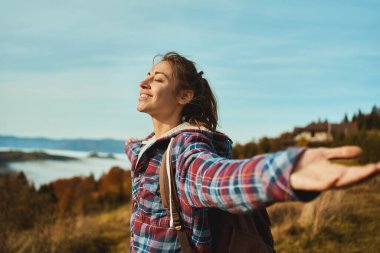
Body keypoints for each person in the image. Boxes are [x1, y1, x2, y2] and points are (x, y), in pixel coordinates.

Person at [125, 52, 380, 253]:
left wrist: (283, 172)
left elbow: (216, 179)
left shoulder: (184, 149)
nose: (143, 82)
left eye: (158, 79)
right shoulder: (149, 149)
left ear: (185, 96)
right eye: (148, 75)